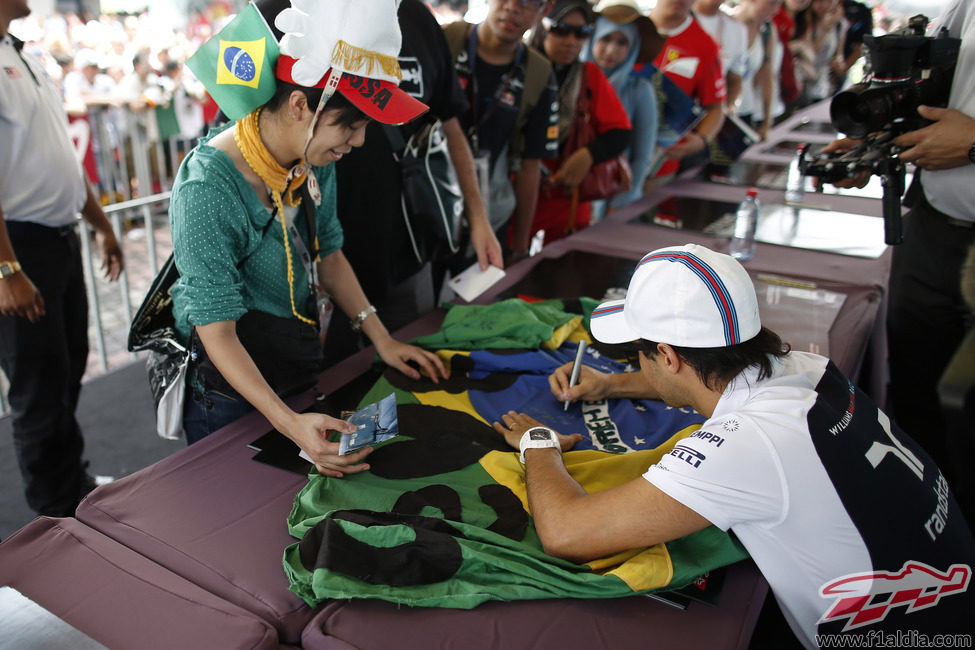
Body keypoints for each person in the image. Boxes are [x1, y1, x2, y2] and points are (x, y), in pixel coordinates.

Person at [492, 243, 975, 647]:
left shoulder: (749, 443)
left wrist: (540, 444)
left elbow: (568, 535)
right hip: (950, 601)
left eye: (640, 354)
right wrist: (610, 385)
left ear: (666, 355)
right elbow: (694, 379)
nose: (636, 364)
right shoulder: (804, 367)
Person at [170, 0, 447, 476]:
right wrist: (288, 422)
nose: (358, 142)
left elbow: (330, 252)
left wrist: (381, 338)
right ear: (301, 105)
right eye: (352, 125)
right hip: (230, 391)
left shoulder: (312, 155)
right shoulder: (206, 189)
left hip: (294, 361)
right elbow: (217, 329)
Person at [820, 0, 975, 502]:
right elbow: (928, 93)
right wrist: (879, 143)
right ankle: (926, 523)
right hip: (932, 230)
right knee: (914, 390)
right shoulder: (963, 9)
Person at [326, 0, 502, 365]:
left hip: (407, 248)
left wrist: (478, 218)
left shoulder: (417, 18)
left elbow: (449, 123)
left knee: (410, 365)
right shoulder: (292, 10)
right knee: (326, 382)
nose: (357, 138)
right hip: (319, 256)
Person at [0, 0, 125, 517]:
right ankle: (54, 517)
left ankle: (68, 482)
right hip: (19, 247)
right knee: (38, 387)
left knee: (67, 366)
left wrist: (100, 225)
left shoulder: (23, 55)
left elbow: (62, 158)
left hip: (59, 238)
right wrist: (6, 269)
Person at [443, 0, 560, 260]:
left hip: (490, 217)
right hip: (424, 207)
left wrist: (519, 249)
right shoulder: (444, 41)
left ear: (546, 9)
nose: (512, 8)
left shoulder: (538, 73)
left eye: (528, 2)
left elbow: (531, 165)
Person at [528, 0, 632, 245]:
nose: (571, 40)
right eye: (561, 29)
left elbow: (620, 132)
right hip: (516, 195)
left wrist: (588, 155)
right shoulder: (519, 68)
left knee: (563, 275)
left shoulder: (588, 76)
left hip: (565, 198)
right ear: (543, 26)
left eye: (581, 32)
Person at [584, 0, 664, 216]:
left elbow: (643, 154)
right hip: (569, 199)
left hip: (614, 201)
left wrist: (619, 204)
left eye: (622, 43)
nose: (611, 50)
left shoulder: (640, 90)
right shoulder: (574, 82)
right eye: (605, 39)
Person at [646, 0, 726, 179]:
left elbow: (716, 107)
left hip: (661, 164)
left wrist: (701, 140)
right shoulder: (630, 31)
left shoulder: (705, 45)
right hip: (612, 161)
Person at [693, 0, 748, 111]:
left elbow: (735, 79)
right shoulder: (676, 17)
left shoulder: (737, 29)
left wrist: (729, 108)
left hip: (710, 111)